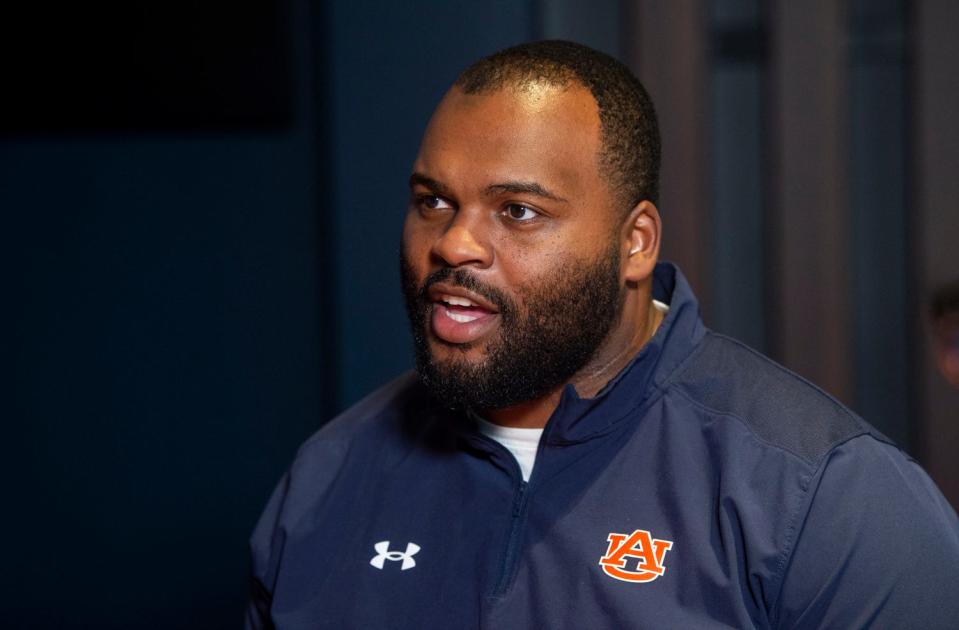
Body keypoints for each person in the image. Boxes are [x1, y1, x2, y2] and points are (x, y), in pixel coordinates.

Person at [246, 41, 959, 629]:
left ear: (634, 244)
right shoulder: (327, 478)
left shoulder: (824, 498)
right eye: (433, 201)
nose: (454, 243)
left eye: (517, 211)